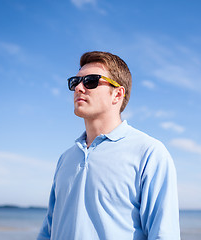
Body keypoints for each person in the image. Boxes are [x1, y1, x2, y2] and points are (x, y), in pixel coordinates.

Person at [37, 51, 180, 240]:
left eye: (91, 81)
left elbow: (163, 234)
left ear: (117, 94)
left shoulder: (149, 153)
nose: (79, 88)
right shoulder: (66, 158)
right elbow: (49, 228)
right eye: (75, 82)